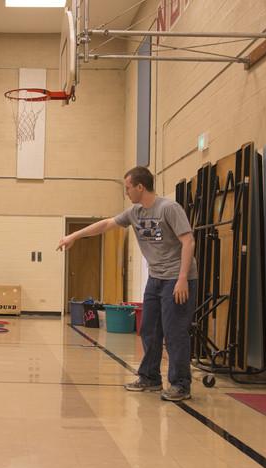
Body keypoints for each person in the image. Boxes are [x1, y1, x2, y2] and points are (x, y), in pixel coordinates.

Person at [57, 166, 198, 402]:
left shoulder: (169, 209)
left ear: (140, 186)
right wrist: (74, 236)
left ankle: (181, 384)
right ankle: (150, 377)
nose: (127, 192)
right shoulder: (135, 213)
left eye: (128, 187)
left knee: (175, 332)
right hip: (155, 278)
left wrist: (183, 278)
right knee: (149, 330)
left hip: (177, 277)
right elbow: (105, 224)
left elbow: (188, 241)